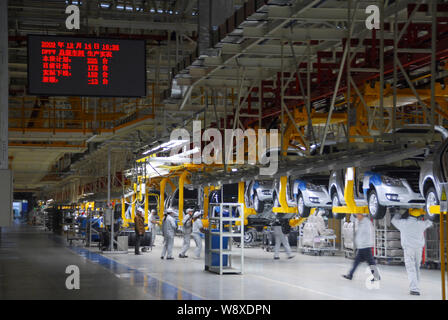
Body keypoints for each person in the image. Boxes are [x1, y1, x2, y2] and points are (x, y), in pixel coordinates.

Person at [391, 211, 433, 296]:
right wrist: (428, 213)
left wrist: (398, 212)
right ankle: (416, 286)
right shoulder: (421, 224)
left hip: (408, 249)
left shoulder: (403, 223)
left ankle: (414, 289)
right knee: (417, 267)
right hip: (418, 249)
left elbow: (393, 220)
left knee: (411, 269)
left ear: (409, 214)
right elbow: (430, 222)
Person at [342, 214, 380, 281]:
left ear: (362, 215)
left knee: (370, 262)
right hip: (362, 246)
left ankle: (376, 276)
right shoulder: (360, 222)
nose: (357, 216)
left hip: (366, 246)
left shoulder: (366, 223)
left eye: (358, 215)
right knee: (357, 262)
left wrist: (364, 243)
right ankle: (350, 275)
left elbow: (367, 234)